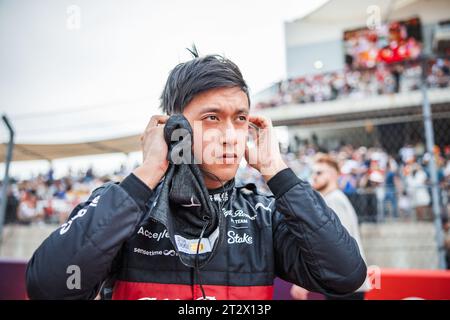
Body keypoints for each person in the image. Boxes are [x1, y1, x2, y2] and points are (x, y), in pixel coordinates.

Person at [26, 51, 367, 300]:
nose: (232, 134)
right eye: (212, 118)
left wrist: (278, 173)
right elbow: (49, 286)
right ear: (174, 129)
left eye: (241, 118)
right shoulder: (124, 205)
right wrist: (147, 173)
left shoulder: (263, 214)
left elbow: (347, 274)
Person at [291, 154, 370, 300]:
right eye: (313, 172)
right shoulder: (331, 199)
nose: (314, 176)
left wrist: (303, 283)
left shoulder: (334, 200)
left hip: (346, 285)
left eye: (320, 172)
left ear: (334, 175)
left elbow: (335, 247)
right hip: (345, 282)